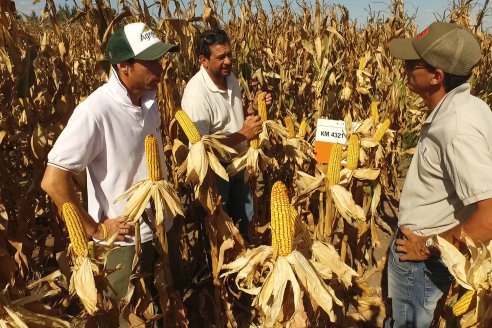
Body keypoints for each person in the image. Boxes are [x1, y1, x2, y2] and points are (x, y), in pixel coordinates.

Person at [41, 22, 178, 327]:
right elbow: (53, 179)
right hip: (123, 244)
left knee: (160, 312)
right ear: (124, 67)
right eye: (152, 61)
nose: (161, 66)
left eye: (160, 58)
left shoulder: (149, 100)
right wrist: (94, 229)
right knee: (123, 317)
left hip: (159, 231)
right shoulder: (95, 111)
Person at [385, 21, 492, 327]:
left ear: (436, 76)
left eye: (412, 64)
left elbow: (489, 215)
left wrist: (430, 246)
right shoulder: (472, 106)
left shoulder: (457, 128)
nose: (404, 69)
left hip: (420, 260)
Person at [181, 28, 269, 236]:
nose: (228, 61)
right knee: (224, 231)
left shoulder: (229, 78)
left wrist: (254, 107)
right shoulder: (196, 96)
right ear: (203, 60)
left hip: (239, 165)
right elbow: (200, 150)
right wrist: (242, 135)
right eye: (221, 57)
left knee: (245, 222)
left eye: (229, 54)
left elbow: (233, 116)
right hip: (216, 173)